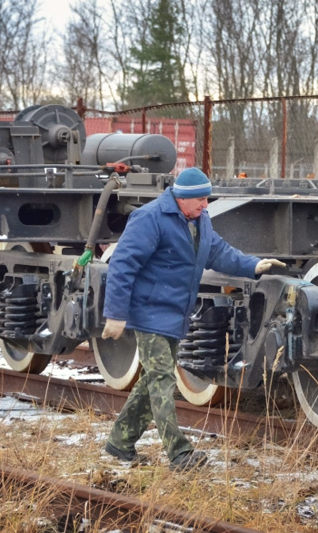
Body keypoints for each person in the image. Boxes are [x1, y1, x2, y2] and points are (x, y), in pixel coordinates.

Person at [101, 167, 285, 470]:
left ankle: (120, 443)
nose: (206, 205)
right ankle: (179, 454)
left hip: (174, 313)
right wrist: (116, 314)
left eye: (206, 199)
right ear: (182, 198)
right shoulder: (150, 219)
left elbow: (218, 252)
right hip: (148, 313)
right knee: (162, 379)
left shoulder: (199, 220)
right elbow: (122, 265)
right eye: (200, 199)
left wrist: (253, 265)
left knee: (152, 380)